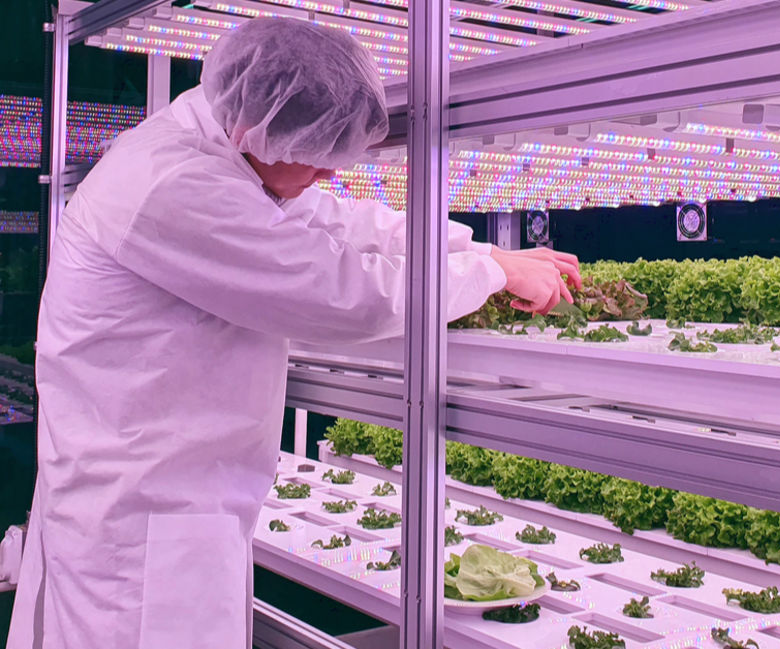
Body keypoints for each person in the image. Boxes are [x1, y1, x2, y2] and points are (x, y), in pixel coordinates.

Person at [6, 18, 579, 649]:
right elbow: (337, 293)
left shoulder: (227, 148)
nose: (329, 176)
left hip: (166, 507)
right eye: (319, 156)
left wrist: (484, 254)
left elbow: (344, 224)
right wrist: (491, 271)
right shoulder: (171, 185)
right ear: (262, 133)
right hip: (138, 534)